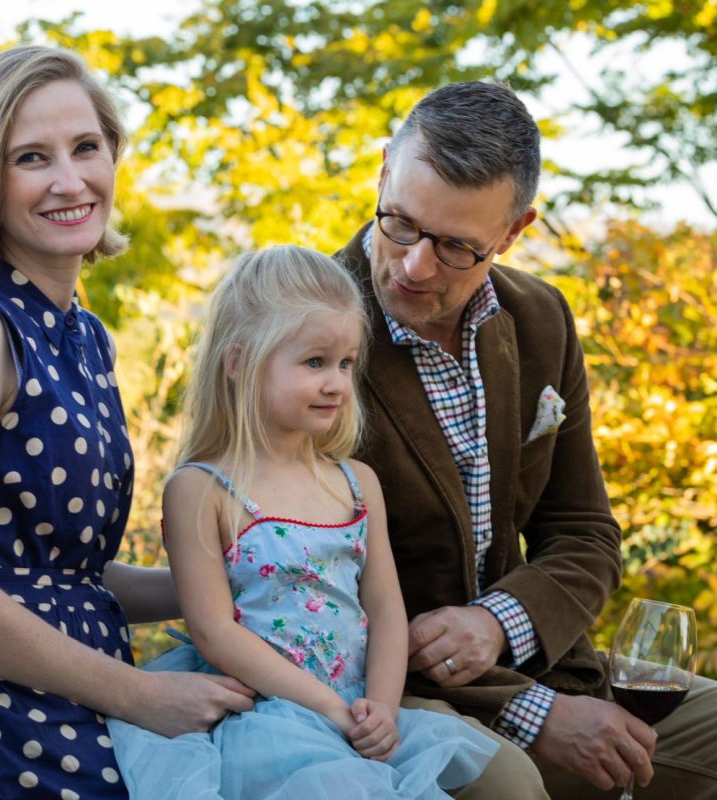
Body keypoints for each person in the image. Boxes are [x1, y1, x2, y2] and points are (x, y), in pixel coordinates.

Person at [333, 81, 717, 799]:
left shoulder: (540, 317)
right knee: (509, 784)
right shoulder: (306, 325)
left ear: (515, 231)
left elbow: (584, 534)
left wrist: (498, 623)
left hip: (548, 664)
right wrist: (531, 713)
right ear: (384, 171)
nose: (416, 265)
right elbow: (301, 594)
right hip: (384, 695)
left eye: (456, 247)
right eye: (401, 224)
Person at [0, 46, 255, 799]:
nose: (70, 181)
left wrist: (217, 580)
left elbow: (64, 574)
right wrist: (140, 696)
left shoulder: (81, 334)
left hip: (73, 693)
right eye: (31, 158)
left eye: (86, 148)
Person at [106, 245, 498, 798]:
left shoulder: (357, 482)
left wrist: (381, 711)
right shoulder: (202, 488)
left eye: (345, 363)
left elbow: (386, 608)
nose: (337, 382)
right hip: (268, 716)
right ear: (240, 362)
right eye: (314, 362)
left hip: (358, 705)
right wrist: (330, 710)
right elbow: (214, 631)